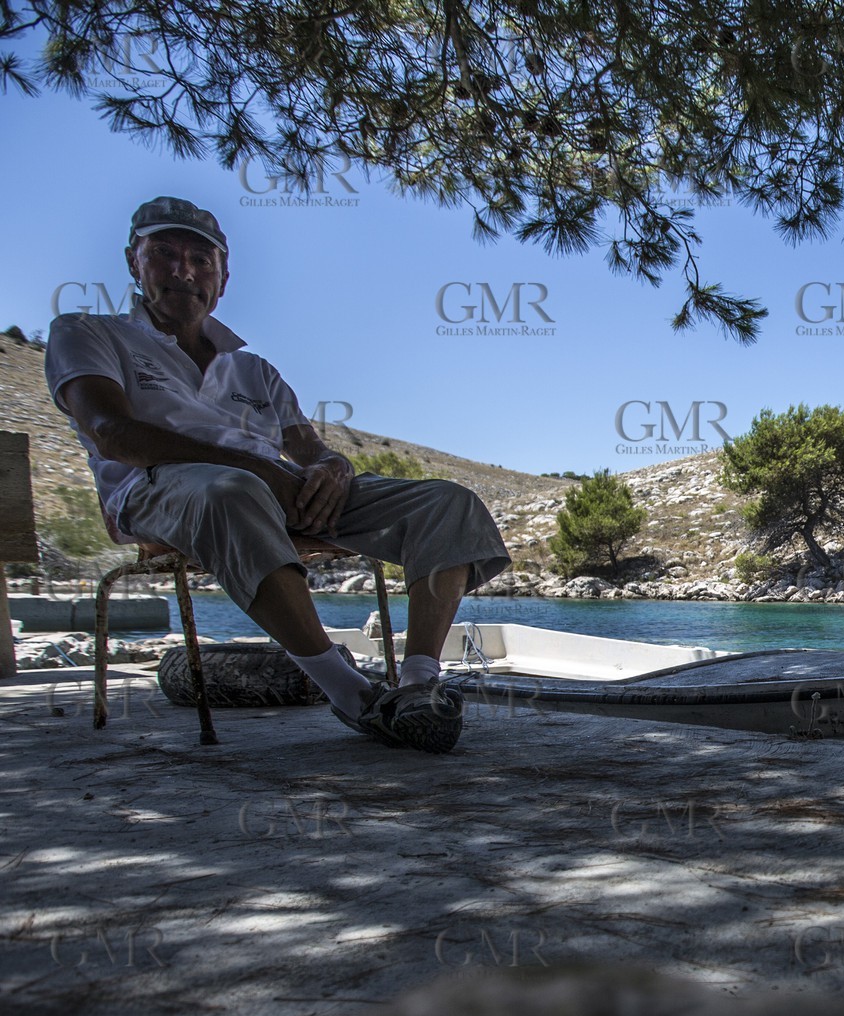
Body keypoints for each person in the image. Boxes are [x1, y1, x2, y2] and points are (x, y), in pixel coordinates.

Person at [45, 196, 510, 753]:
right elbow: (111, 431)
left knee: (447, 503)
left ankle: (416, 686)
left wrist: (334, 471)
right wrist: (262, 468)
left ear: (223, 276)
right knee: (232, 490)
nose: (183, 271)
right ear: (133, 262)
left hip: (270, 491)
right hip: (159, 490)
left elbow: (312, 450)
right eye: (164, 254)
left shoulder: (252, 368)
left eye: (201, 259)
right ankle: (353, 697)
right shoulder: (87, 332)